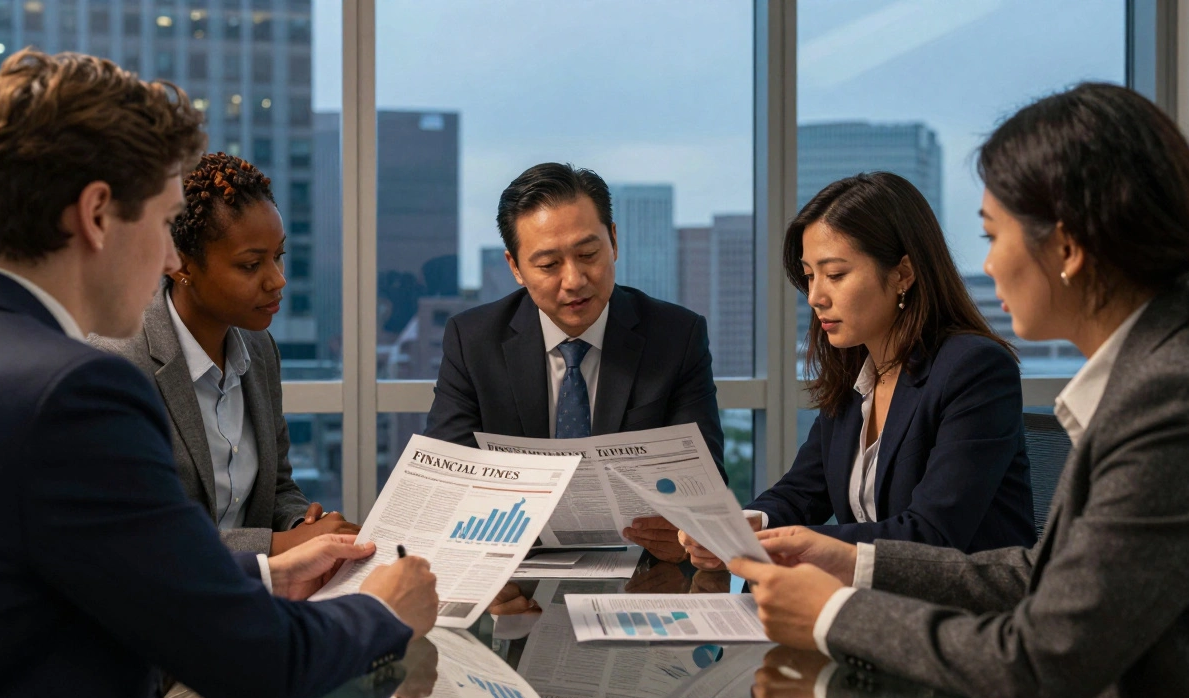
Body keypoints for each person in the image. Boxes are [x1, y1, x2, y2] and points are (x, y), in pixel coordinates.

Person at [0, 50, 438, 698]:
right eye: (161, 223)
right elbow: (256, 663)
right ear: (97, 215)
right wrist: (382, 611)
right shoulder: (75, 392)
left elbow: (86, 570)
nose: (166, 256)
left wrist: (267, 569)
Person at [729, 83, 1189, 698]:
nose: (989, 266)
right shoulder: (1155, 378)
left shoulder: (1174, 400)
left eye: (993, 236)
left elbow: (1040, 664)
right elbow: (1036, 576)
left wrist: (834, 613)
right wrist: (847, 560)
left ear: (1069, 248)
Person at [684, 172, 1035, 571]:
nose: (815, 296)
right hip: (876, 609)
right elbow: (801, 491)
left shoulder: (973, 368)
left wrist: (786, 543)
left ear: (903, 273)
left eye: (835, 275)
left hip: (965, 618)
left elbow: (932, 536)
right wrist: (744, 527)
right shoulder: (857, 372)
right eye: (810, 275)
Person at [424, 162, 726, 561]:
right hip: (512, 571)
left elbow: (705, 485)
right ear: (515, 267)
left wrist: (688, 531)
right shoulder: (474, 340)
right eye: (548, 265)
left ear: (614, 241)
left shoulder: (676, 336)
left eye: (588, 254)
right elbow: (448, 478)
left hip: (641, 568)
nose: (574, 280)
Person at [91, 152, 356, 555]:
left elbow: (277, 486)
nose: (277, 280)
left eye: (278, 256)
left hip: (252, 597)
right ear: (180, 264)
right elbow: (139, 535)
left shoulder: (259, 349)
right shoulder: (116, 363)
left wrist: (304, 524)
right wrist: (280, 545)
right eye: (251, 265)